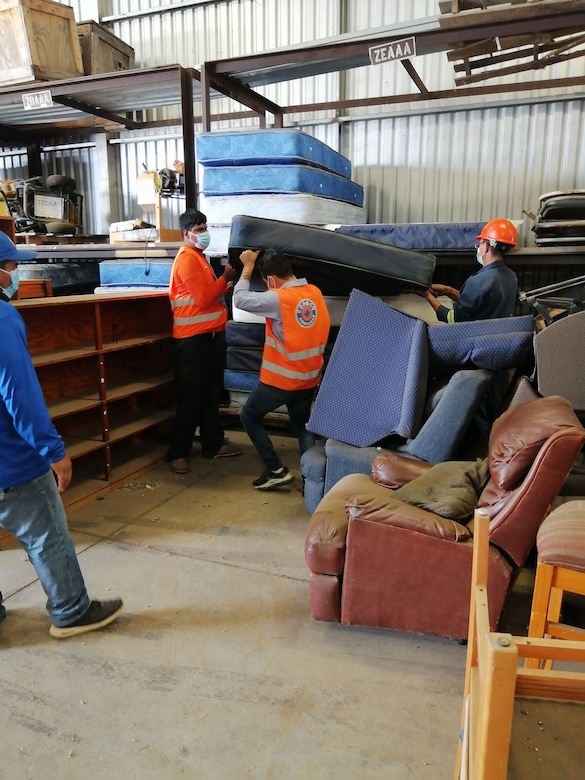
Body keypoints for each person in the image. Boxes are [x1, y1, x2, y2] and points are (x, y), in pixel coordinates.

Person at [0, 231, 123, 638]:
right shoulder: (2, 320)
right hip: (11, 464)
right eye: (11, 265)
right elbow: (21, 395)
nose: (15, 272)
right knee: (45, 534)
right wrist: (54, 452)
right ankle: (71, 610)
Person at [233, 248, 331, 490]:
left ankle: (275, 469)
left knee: (249, 415)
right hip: (309, 378)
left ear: (271, 280)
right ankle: (311, 481)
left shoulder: (278, 298)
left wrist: (247, 267)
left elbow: (240, 299)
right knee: (302, 426)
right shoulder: (314, 292)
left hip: (281, 381)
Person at [167, 208, 242, 473]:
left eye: (205, 227)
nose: (205, 233)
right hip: (192, 342)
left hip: (208, 339)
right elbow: (201, 298)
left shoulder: (200, 258)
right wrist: (226, 279)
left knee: (211, 395)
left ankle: (213, 444)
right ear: (187, 234)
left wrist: (222, 284)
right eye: (199, 230)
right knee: (191, 398)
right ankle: (178, 452)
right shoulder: (187, 259)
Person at [419, 218, 519, 322]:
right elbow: (477, 304)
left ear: (486, 248)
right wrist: (448, 291)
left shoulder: (478, 281)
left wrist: (427, 295)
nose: (478, 248)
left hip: (474, 336)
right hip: (498, 335)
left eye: (479, 244)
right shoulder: (511, 277)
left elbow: (452, 318)